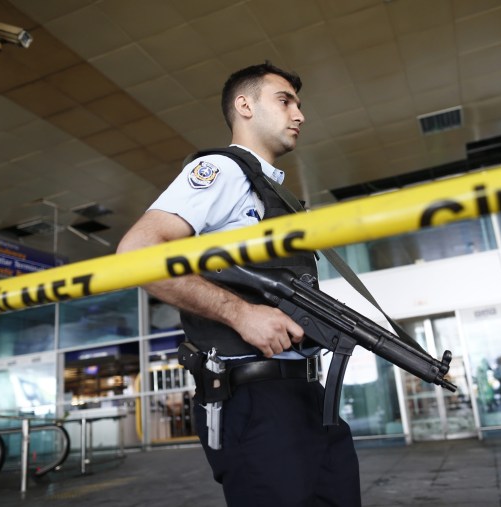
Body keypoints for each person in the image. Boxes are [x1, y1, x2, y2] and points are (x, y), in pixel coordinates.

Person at [117, 62, 361, 506]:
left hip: (303, 395)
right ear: (244, 106)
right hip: (254, 398)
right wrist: (240, 312)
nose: (299, 114)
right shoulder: (222, 170)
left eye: (299, 105)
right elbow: (137, 254)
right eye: (285, 101)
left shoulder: (272, 192)